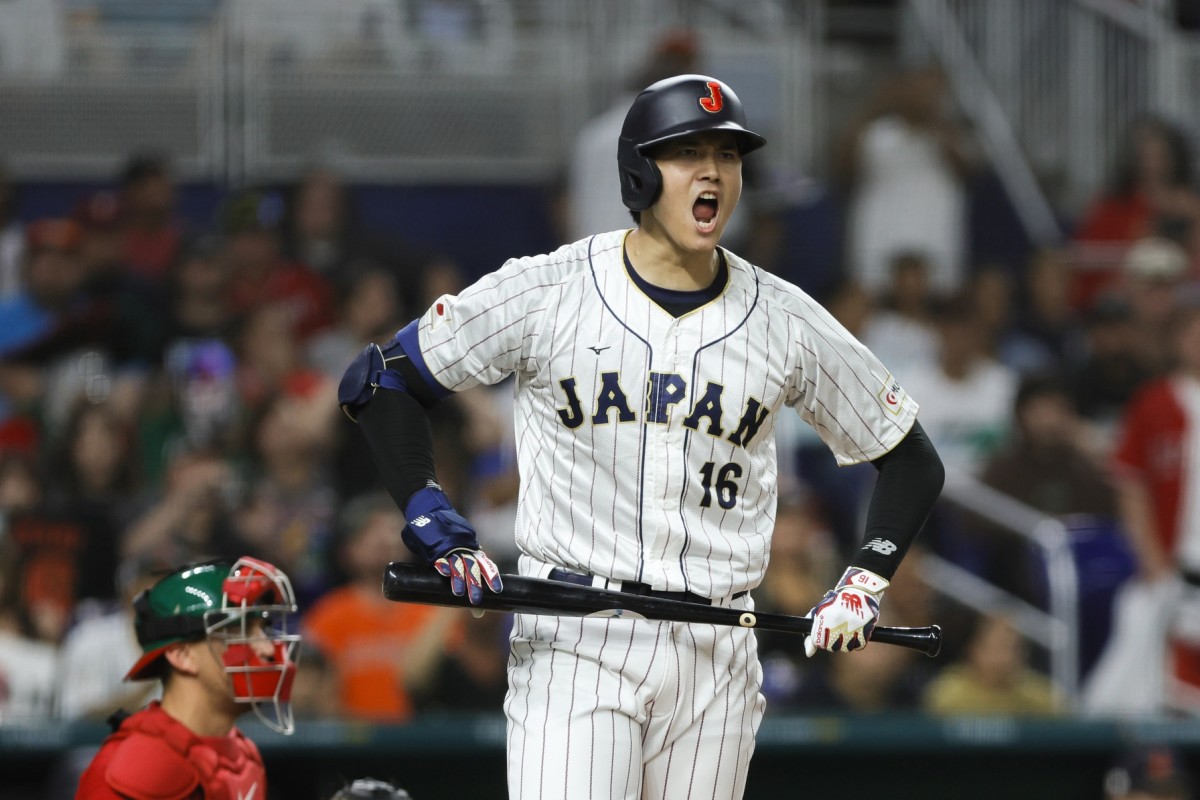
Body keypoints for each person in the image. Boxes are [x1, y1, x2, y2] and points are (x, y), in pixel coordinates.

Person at [341, 74, 945, 799]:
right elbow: (380, 381)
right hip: (577, 636)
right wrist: (425, 504)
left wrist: (864, 580)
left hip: (718, 646)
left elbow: (908, 456)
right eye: (686, 152)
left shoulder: (785, 319)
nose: (712, 172)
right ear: (638, 170)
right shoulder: (551, 289)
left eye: (727, 155)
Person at [74, 556, 301, 799]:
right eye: (238, 632)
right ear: (182, 655)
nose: (266, 648)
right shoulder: (135, 769)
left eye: (262, 630)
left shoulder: (243, 755)